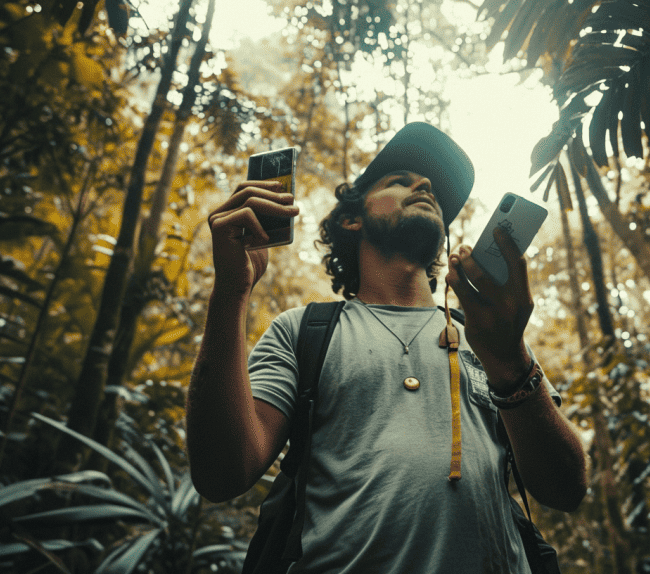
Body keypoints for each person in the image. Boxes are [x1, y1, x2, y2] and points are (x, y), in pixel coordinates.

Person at [186, 122, 587, 573]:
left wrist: (509, 360)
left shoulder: (488, 333)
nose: (425, 185)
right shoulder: (304, 331)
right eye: (400, 181)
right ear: (351, 219)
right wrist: (232, 291)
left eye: (430, 187)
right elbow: (222, 473)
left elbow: (566, 489)